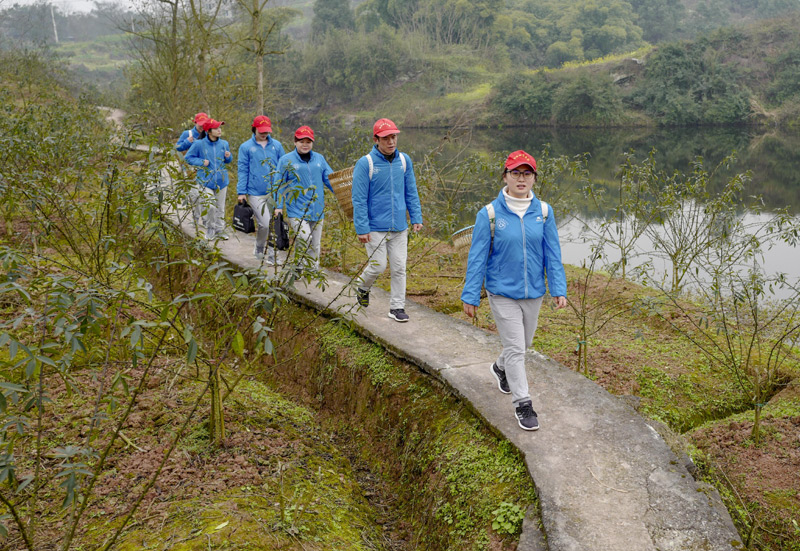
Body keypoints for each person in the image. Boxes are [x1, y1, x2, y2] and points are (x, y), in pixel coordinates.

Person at [461, 150, 568, 431]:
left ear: (534, 178)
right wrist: (471, 295)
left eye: (527, 173)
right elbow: (477, 257)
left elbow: (552, 254)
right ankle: (523, 404)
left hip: (534, 292)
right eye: (515, 173)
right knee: (517, 350)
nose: (521, 179)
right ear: (505, 176)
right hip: (502, 292)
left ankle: (499, 368)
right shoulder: (490, 214)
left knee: (523, 345)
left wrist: (558, 288)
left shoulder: (544, 212)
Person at [351, 118, 423, 322]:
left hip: (400, 226)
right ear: (376, 139)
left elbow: (411, 191)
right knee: (378, 266)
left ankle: (397, 307)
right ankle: (362, 286)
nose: (391, 142)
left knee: (399, 267)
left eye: (394, 137)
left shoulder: (404, 161)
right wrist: (362, 227)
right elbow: (358, 198)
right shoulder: (366, 163)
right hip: (374, 227)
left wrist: (416, 216)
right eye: (386, 138)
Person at [276, 125, 334, 270]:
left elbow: (330, 179)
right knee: (304, 238)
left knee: (315, 243)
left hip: (317, 209)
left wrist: (343, 194)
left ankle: (313, 270)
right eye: (301, 141)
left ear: (312, 143)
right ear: (295, 142)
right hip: (296, 209)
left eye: (308, 142)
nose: (305, 145)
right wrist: (278, 206)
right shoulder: (286, 160)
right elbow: (279, 184)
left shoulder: (319, 159)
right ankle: (298, 267)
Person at [237, 115, 285, 264]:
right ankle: (259, 246)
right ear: (254, 128)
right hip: (255, 192)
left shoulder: (276, 146)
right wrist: (241, 191)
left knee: (274, 224)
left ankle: (272, 255)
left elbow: (283, 166)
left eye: (267, 131)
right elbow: (243, 169)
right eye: (261, 131)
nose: (264, 134)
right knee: (265, 223)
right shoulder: (246, 147)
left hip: (274, 191)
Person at [184, 118, 232, 241]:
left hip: (222, 181)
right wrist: (201, 162)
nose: (219, 130)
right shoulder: (199, 144)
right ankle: (210, 229)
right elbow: (188, 158)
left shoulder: (224, 143)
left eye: (220, 127)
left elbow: (228, 161)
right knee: (210, 206)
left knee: (220, 207)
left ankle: (220, 230)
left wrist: (228, 157)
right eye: (216, 128)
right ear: (209, 131)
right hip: (205, 181)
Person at [175, 112, 209, 226]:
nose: (202, 127)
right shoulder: (187, 133)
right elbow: (177, 148)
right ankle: (195, 219)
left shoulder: (209, 134)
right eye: (200, 124)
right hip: (190, 170)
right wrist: (186, 142)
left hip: (205, 169)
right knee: (195, 196)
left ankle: (205, 220)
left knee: (205, 196)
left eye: (204, 124)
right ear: (195, 122)